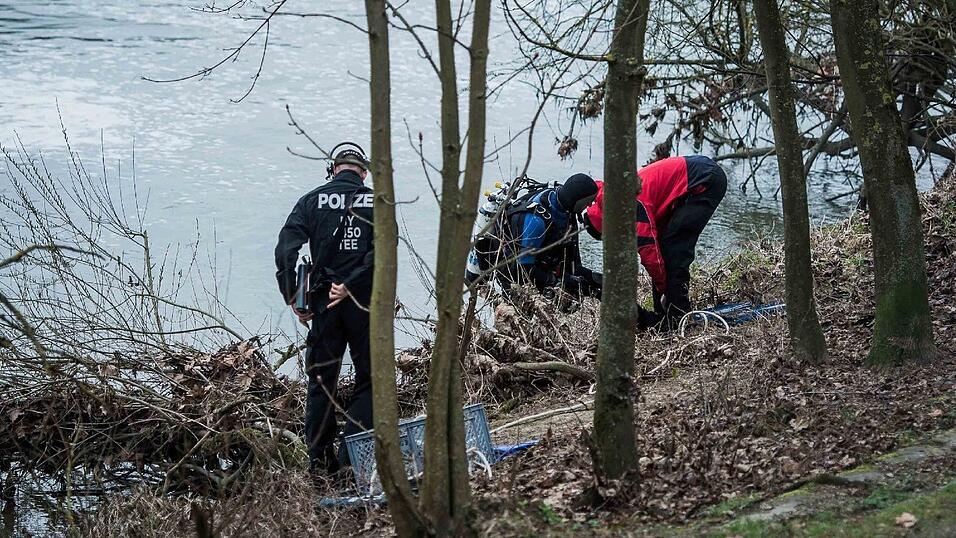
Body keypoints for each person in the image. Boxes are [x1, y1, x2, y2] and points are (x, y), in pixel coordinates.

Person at [274, 143, 375, 475]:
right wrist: (351, 284)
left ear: (333, 170)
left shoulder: (310, 200)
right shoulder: (378, 202)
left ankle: (319, 463)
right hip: (362, 304)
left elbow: (287, 248)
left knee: (321, 382)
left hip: (323, 305)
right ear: (363, 173)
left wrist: (294, 295)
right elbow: (384, 252)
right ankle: (352, 454)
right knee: (370, 380)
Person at [582, 155, 727, 329]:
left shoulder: (630, 207)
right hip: (695, 176)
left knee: (675, 249)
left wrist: (665, 288)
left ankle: (678, 316)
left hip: (705, 180)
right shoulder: (610, 199)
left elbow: (650, 255)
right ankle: (665, 313)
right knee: (665, 248)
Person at [470, 173, 602, 298]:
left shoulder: (566, 211)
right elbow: (522, 269)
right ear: (576, 200)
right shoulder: (536, 221)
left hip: (544, 265)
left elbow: (571, 263)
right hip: (516, 277)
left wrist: (593, 279)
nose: (590, 205)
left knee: (594, 284)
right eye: (588, 201)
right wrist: (555, 282)